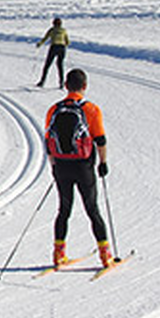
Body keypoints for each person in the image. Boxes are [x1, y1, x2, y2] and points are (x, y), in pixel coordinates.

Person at [45, 68, 113, 269]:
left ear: (66, 86)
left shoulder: (54, 109)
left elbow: (49, 139)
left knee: (63, 210)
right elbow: (100, 139)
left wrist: (54, 165)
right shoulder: (91, 109)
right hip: (83, 167)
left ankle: (58, 254)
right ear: (85, 86)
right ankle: (105, 255)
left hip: (61, 166)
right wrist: (103, 162)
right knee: (92, 209)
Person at [36, 17, 70, 88]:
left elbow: (45, 38)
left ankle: (42, 82)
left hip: (54, 47)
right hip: (62, 48)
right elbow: (67, 41)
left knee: (47, 65)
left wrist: (39, 44)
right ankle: (61, 83)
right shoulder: (64, 30)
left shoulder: (51, 30)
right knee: (60, 65)